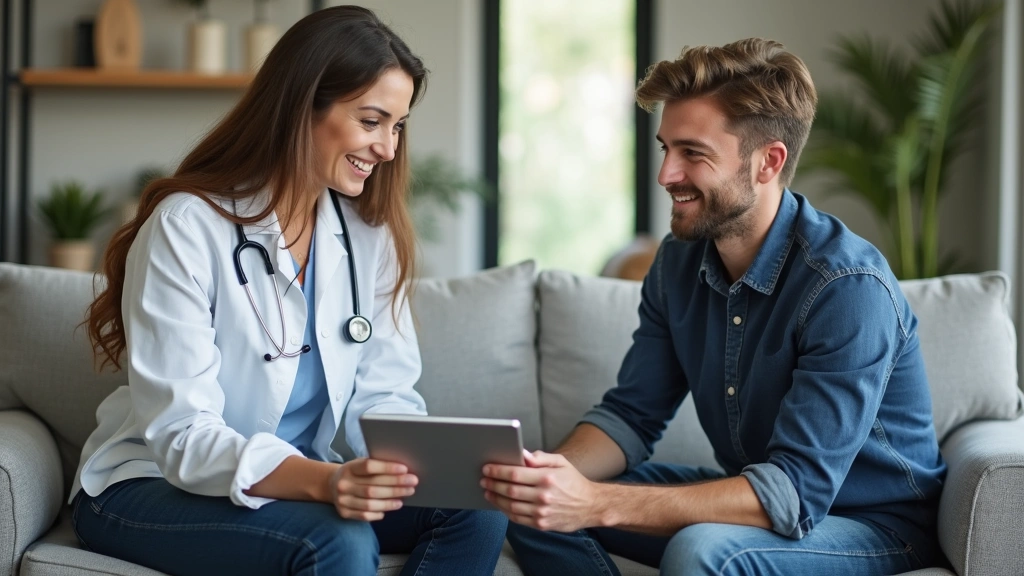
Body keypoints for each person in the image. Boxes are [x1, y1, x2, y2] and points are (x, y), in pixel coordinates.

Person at [481, 38, 946, 576]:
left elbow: (792, 494)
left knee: (702, 549)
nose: (666, 175)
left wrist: (596, 501)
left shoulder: (846, 287)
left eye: (692, 153)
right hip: (762, 502)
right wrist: (548, 478)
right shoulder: (676, 265)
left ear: (767, 162)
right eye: (665, 149)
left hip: (874, 525)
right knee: (535, 512)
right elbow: (630, 416)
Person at [74, 7, 507, 576]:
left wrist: (447, 469)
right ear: (304, 106)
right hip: (149, 484)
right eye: (372, 121)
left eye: (397, 126)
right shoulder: (187, 227)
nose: (389, 149)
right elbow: (183, 435)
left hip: (299, 483)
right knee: (337, 541)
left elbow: (383, 397)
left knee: (475, 512)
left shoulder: (366, 238)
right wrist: (328, 481)